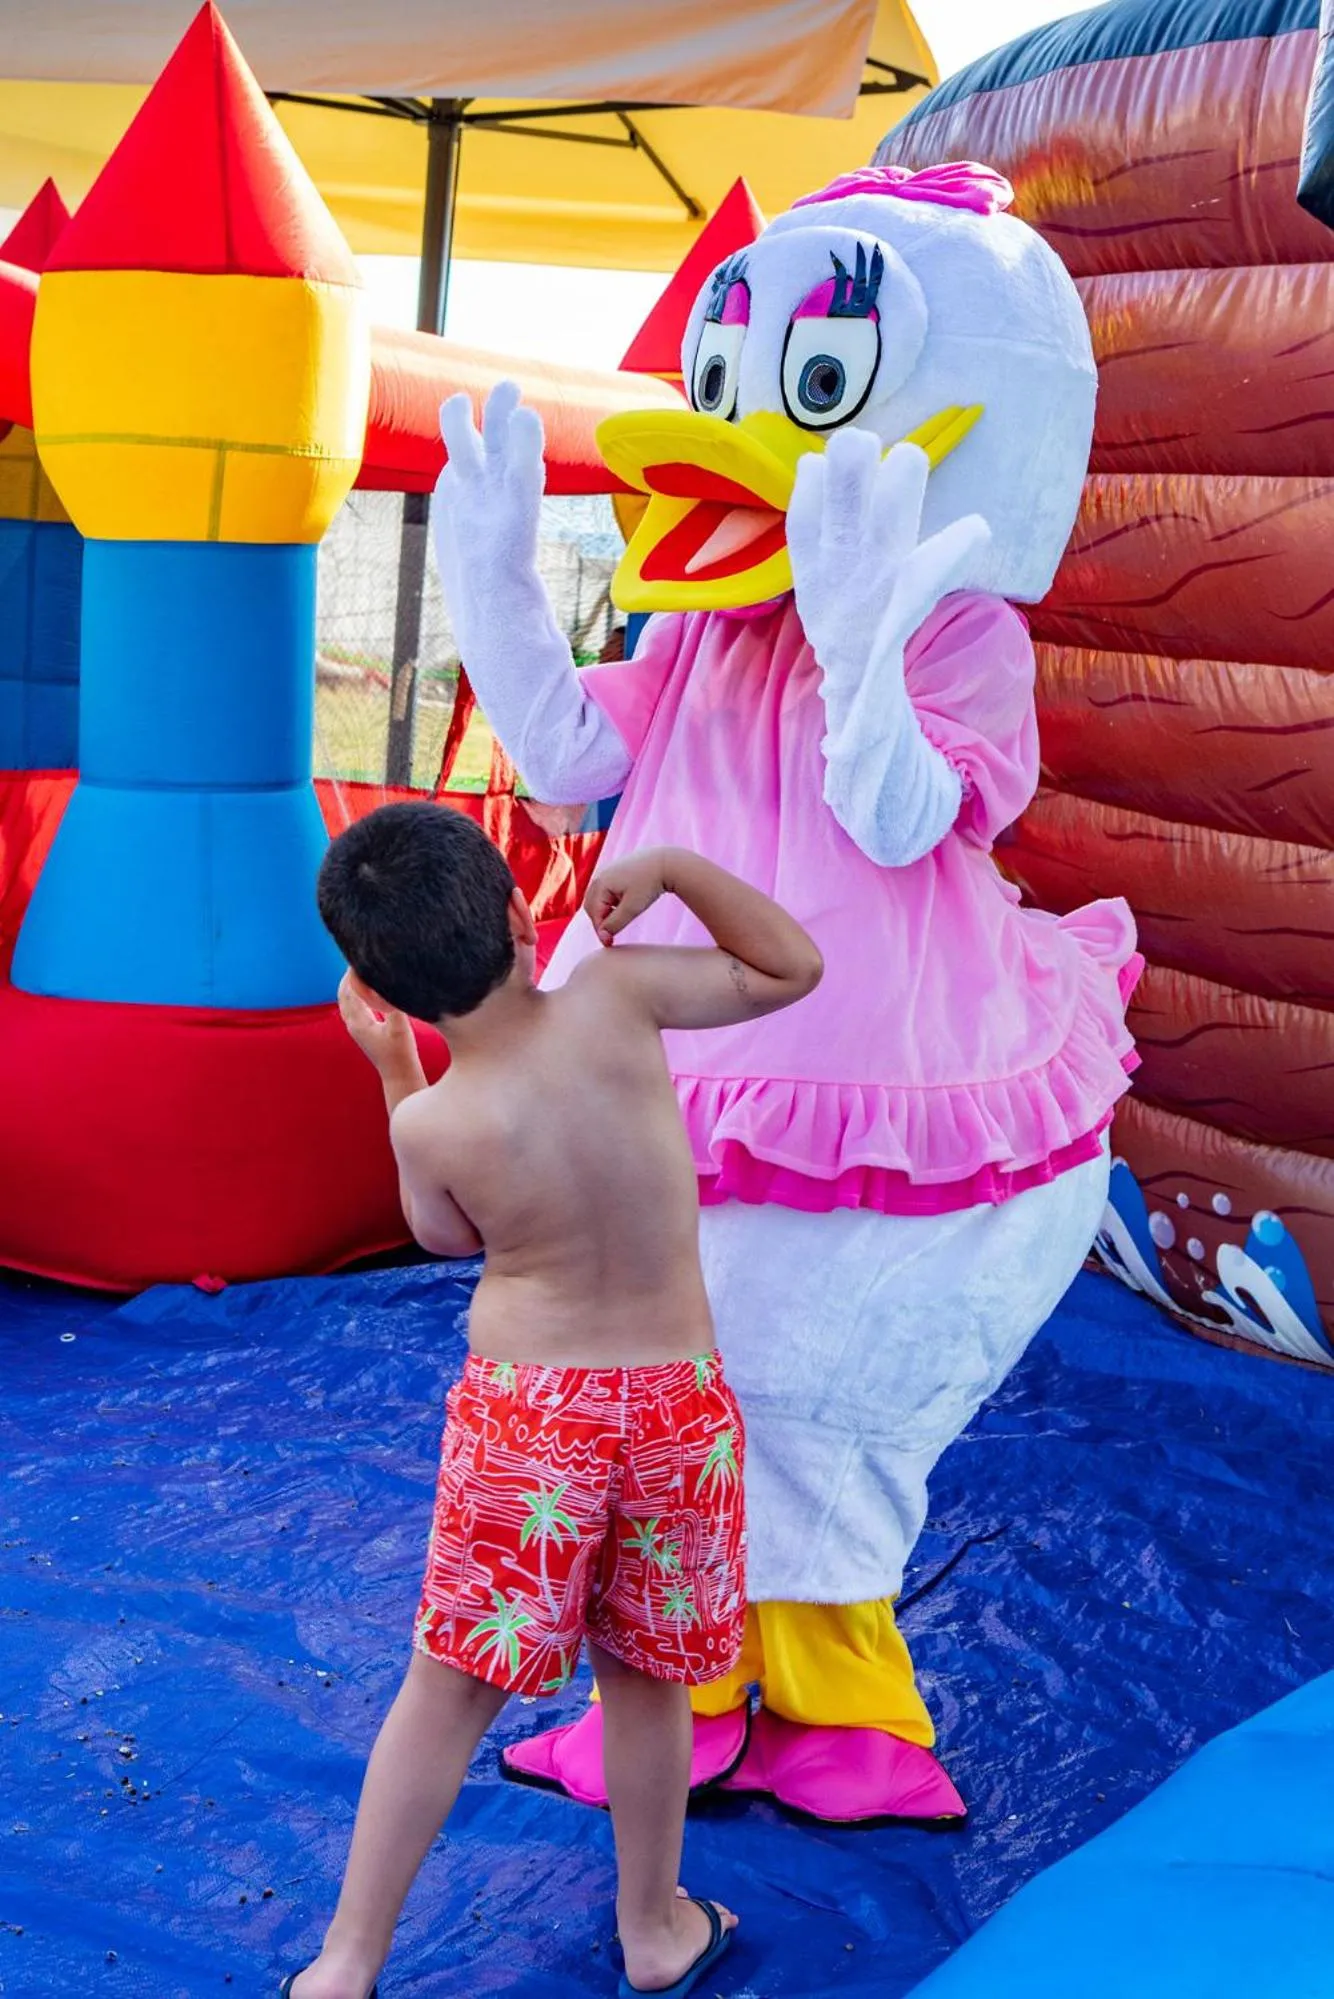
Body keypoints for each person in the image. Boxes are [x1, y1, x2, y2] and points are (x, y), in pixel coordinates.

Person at [284, 803, 822, 1999]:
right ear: (521, 915)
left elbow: (441, 1234)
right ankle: (653, 1930)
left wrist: (395, 1077)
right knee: (645, 1673)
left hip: (530, 1421)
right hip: (673, 1407)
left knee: (448, 1685)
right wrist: (674, 867)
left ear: (386, 990)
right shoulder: (617, 996)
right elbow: (790, 965)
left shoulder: (434, 1118)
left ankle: (345, 1962)